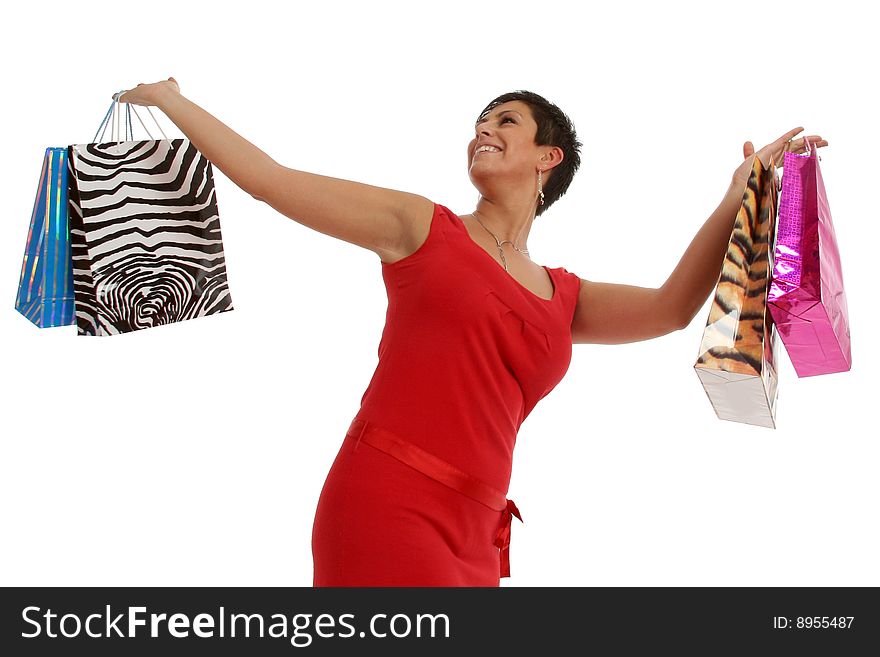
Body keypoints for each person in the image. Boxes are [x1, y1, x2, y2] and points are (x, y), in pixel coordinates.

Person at [118, 78, 828, 586]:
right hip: (386, 500)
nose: (483, 127)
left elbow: (674, 307)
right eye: (481, 120)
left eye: (507, 120)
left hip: (478, 534)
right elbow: (272, 180)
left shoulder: (561, 293)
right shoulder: (422, 227)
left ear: (548, 158)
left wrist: (736, 194)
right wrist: (175, 101)